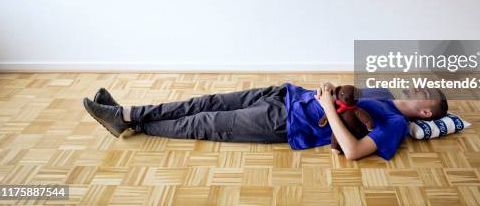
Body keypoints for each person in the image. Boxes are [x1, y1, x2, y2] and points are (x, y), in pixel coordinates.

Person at [83, 82, 447, 160]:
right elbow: (347, 101)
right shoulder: (383, 91)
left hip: (286, 122)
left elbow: (352, 150)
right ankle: (128, 114)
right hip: (285, 94)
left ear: (426, 113)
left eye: (423, 94)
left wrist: (325, 104)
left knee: (205, 121)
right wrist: (328, 92)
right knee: (204, 101)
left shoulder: (397, 125)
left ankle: (129, 122)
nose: (417, 86)